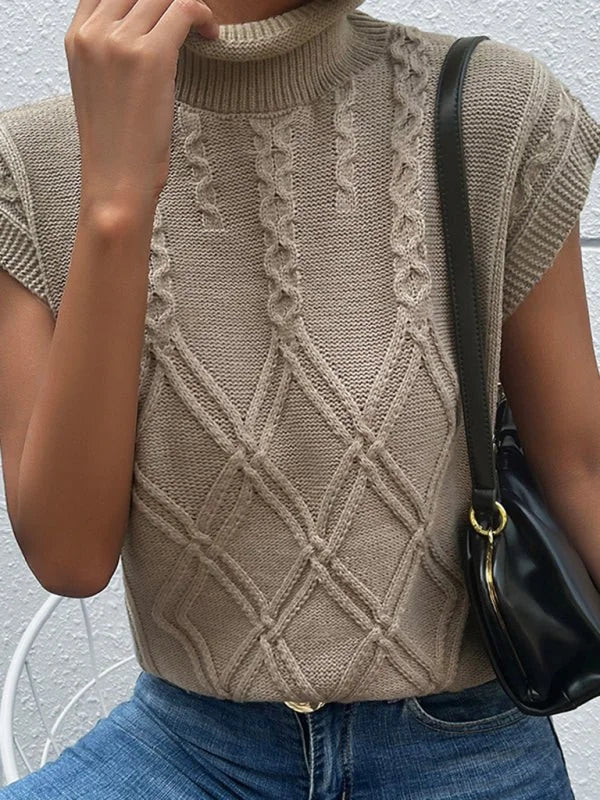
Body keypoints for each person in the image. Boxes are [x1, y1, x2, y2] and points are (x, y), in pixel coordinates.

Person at [0, 0, 599, 796]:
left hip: (463, 746)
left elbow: (582, 467)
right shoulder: (30, 163)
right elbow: (70, 557)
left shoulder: (492, 108)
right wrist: (114, 202)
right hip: (191, 751)